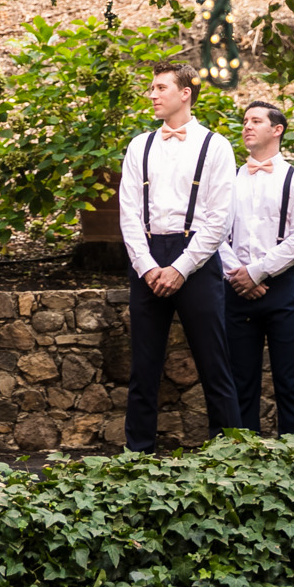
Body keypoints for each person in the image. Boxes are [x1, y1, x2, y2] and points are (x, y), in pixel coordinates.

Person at [116, 61, 239, 452]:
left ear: (185, 93)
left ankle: (230, 452)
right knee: (144, 364)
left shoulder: (215, 145)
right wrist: (149, 267)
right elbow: (128, 212)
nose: (152, 94)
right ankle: (138, 452)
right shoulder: (140, 145)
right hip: (148, 257)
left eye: (160, 88)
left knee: (214, 361)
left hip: (197, 259)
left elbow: (220, 219)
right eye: (151, 88)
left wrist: (181, 268)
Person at [219, 100, 294, 435]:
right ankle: (241, 457)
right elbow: (213, 231)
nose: (247, 125)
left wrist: (257, 272)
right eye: (245, 120)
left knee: (290, 380)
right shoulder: (227, 180)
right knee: (239, 380)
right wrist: (238, 274)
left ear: (277, 130)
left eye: (256, 121)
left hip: (283, 287)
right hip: (235, 288)